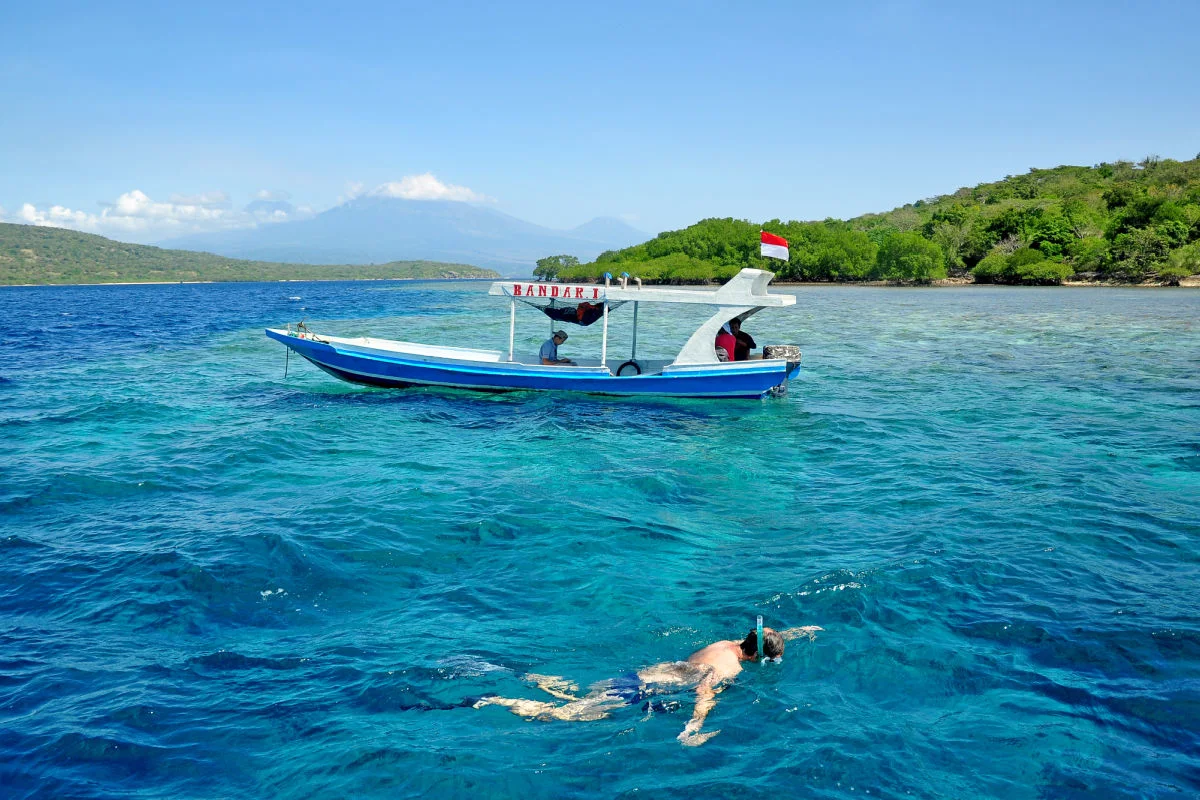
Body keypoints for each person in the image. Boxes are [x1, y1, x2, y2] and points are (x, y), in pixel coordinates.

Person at [473, 623, 822, 746]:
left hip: (637, 677)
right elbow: (704, 693)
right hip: (640, 692)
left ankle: (543, 683)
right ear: (758, 656)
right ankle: (496, 700)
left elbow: (762, 636)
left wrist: (796, 633)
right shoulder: (729, 668)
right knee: (568, 715)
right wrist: (693, 727)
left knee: (581, 698)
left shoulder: (728, 645)